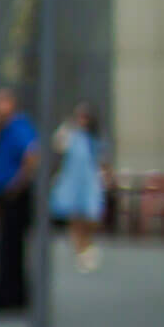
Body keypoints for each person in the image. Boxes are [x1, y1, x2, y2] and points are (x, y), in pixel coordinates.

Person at [0, 86, 40, 315]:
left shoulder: (19, 126)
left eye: (2, 103)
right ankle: (8, 296)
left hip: (14, 196)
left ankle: (10, 297)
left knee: (10, 248)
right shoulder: (2, 128)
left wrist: (17, 184)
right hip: (2, 194)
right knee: (5, 248)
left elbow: (32, 155)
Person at [50, 99, 108, 272]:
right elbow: (58, 148)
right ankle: (79, 248)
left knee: (91, 215)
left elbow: (102, 158)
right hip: (72, 178)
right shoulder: (69, 134)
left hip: (89, 179)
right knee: (74, 216)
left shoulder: (94, 137)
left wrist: (105, 175)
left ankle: (87, 243)